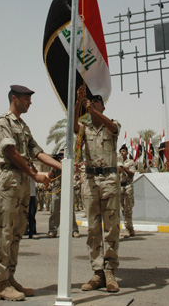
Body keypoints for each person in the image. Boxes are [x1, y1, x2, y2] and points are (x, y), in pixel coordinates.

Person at [0, 84, 63, 301]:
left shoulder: (22, 126)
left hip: (22, 182)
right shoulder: (3, 122)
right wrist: (34, 175)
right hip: (10, 180)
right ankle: (1, 283)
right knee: (5, 232)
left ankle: (10, 278)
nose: (29, 102)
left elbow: (37, 152)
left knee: (16, 233)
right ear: (14, 98)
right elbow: (12, 153)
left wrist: (64, 167)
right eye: (26, 99)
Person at [74, 85, 122, 293]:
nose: (93, 103)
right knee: (93, 229)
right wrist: (78, 103)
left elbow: (113, 128)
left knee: (111, 228)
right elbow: (73, 129)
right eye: (91, 101)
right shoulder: (85, 129)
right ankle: (98, 272)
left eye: (97, 101)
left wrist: (93, 112)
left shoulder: (111, 124)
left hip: (109, 180)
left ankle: (110, 270)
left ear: (103, 107)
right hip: (91, 180)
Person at [47, 149, 80, 238]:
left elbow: (76, 173)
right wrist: (54, 168)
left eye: (63, 155)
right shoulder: (54, 164)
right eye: (60, 155)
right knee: (54, 210)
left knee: (70, 211)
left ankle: (74, 230)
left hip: (68, 189)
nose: (61, 156)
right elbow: (50, 176)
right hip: (56, 190)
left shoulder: (70, 164)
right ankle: (52, 230)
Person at [118, 144, 136, 238]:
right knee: (122, 208)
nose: (122, 153)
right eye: (121, 151)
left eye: (124, 151)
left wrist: (124, 168)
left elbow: (132, 174)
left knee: (128, 208)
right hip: (120, 186)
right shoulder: (117, 162)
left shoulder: (130, 162)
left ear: (127, 152)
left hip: (128, 186)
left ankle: (127, 228)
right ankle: (130, 227)